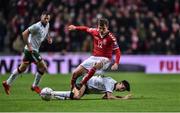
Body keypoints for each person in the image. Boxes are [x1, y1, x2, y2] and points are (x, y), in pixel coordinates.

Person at [2, 11, 52, 95]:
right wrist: (29, 46)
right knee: (43, 67)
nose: (46, 20)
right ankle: (35, 86)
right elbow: (24, 33)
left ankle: (7, 83)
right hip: (31, 50)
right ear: (41, 17)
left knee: (22, 68)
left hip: (32, 50)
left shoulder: (47, 24)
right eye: (45, 18)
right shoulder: (36, 26)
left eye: (48, 18)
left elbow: (47, 31)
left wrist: (48, 37)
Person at [68, 18, 121, 90]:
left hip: (106, 59)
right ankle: (72, 88)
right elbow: (86, 29)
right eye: (100, 28)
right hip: (94, 57)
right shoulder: (94, 31)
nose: (101, 30)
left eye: (103, 28)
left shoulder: (111, 38)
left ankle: (82, 83)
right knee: (75, 73)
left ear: (107, 27)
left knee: (97, 64)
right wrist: (75, 27)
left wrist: (116, 63)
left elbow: (117, 51)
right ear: (97, 26)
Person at [43, 75, 131, 100]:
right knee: (77, 96)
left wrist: (120, 97)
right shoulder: (110, 83)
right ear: (119, 83)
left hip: (86, 87)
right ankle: (51, 93)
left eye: (123, 90)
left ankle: (55, 95)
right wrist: (123, 99)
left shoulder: (111, 87)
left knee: (73, 97)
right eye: (122, 87)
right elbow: (109, 97)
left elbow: (105, 97)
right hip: (84, 81)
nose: (121, 90)